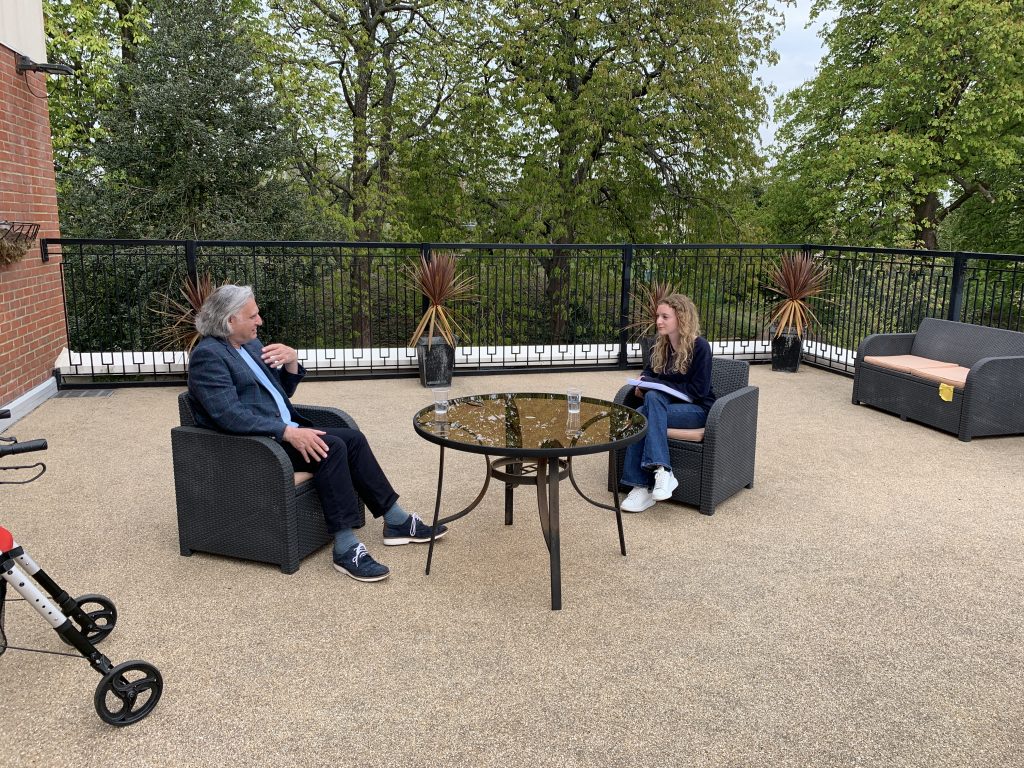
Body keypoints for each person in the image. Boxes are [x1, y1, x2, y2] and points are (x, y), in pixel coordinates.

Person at [187, 284, 446, 582]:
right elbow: (227, 415)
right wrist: (286, 432)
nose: (260, 321)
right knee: (331, 447)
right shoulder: (208, 357)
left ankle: (396, 520)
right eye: (253, 316)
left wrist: (292, 361)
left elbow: (278, 393)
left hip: (279, 433)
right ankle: (346, 548)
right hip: (254, 445)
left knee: (353, 439)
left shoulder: (251, 346)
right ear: (230, 320)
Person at [620, 293, 716, 512]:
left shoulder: (699, 347)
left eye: (665, 316)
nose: (658, 321)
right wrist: (643, 384)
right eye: (658, 316)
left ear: (681, 318)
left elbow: (698, 391)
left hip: (697, 411)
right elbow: (647, 374)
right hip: (662, 408)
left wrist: (658, 386)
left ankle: (654, 475)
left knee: (650, 403)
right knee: (646, 406)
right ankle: (647, 486)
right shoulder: (660, 346)